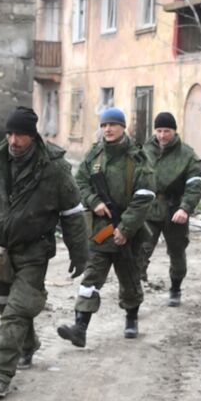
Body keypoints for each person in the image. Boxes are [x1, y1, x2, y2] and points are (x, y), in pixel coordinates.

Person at [0, 107, 89, 399]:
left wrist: (79, 252)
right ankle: (27, 344)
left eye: (19, 134)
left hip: (34, 251)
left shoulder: (54, 168)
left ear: (33, 136)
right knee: (4, 304)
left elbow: (72, 212)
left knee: (17, 311)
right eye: (9, 133)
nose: (13, 140)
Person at [57, 107, 155, 344]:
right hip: (101, 231)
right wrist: (95, 202)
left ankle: (131, 319)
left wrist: (126, 228)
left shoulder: (137, 158)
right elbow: (79, 182)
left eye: (112, 125)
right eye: (104, 125)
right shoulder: (95, 154)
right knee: (90, 278)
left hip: (128, 231)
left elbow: (144, 196)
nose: (108, 129)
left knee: (130, 280)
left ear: (123, 127)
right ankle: (80, 328)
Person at [138, 111, 201, 306]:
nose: (162, 135)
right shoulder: (145, 151)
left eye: (166, 131)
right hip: (148, 209)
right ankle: (136, 284)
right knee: (141, 248)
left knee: (176, 251)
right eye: (159, 130)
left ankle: (175, 287)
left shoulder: (187, 154)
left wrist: (185, 208)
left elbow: (195, 184)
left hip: (174, 209)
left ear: (174, 131)